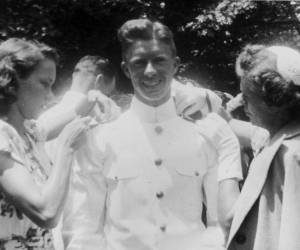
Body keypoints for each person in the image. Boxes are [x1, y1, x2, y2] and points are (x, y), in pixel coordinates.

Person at [62, 18, 242, 250]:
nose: (150, 71)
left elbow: (218, 224)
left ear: (175, 65)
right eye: (139, 63)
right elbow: (83, 227)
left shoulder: (207, 133)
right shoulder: (101, 136)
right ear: (126, 69)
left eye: (159, 60)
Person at [0, 38, 92, 249]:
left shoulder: (28, 133)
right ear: (13, 82)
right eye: (45, 84)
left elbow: (74, 113)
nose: (50, 96)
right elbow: (46, 212)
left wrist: (94, 97)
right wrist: (66, 148)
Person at [226, 45, 300, 250]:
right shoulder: (279, 137)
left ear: (274, 101)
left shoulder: (290, 154)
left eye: (247, 98)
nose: (242, 105)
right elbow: (245, 132)